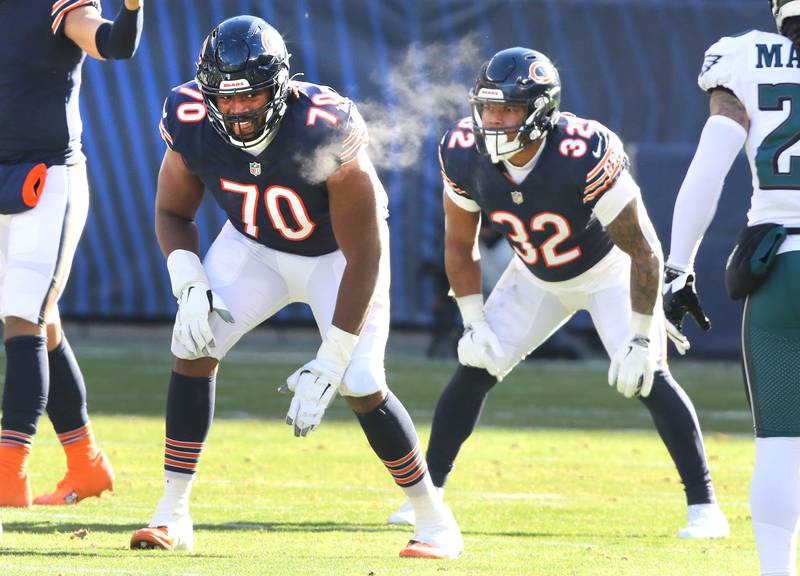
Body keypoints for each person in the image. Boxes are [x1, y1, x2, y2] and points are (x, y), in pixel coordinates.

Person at [128, 15, 462, 559]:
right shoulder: (189, 116)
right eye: (224, 98)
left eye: (249, 96)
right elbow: (171, 210)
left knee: (358, 378)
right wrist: (187, 278)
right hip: (253, 245)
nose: (236, 112)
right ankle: (172, 514)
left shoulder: (323, 125)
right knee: (192, 342)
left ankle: (433, 519)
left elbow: (366, 251)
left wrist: (331, 356)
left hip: (336, 256)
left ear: (279, 87)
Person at [388, 47, 729, 539]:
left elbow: (644, 251)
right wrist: (472, 320)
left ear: (540, 112)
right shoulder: (463, 151)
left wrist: (638, 337)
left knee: (648, 376)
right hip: (535, 274)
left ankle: (705, 508)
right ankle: (428, 494)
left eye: (508, 109)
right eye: (487, 107)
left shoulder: (582, 151)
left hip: (608, 269)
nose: (494, 120)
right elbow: (460, 244)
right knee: (476, 366)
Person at [663, 1, 800, 572]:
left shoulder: (743, 56)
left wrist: (677, 268)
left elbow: (711, 164)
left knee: (782, 443)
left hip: (784, 264)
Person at [0, 0, 143, 508]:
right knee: (43, 320)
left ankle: (7, 476)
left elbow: (112, 43)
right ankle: (86, 463)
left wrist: (131, 10)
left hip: (47, 178)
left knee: (23, 319)